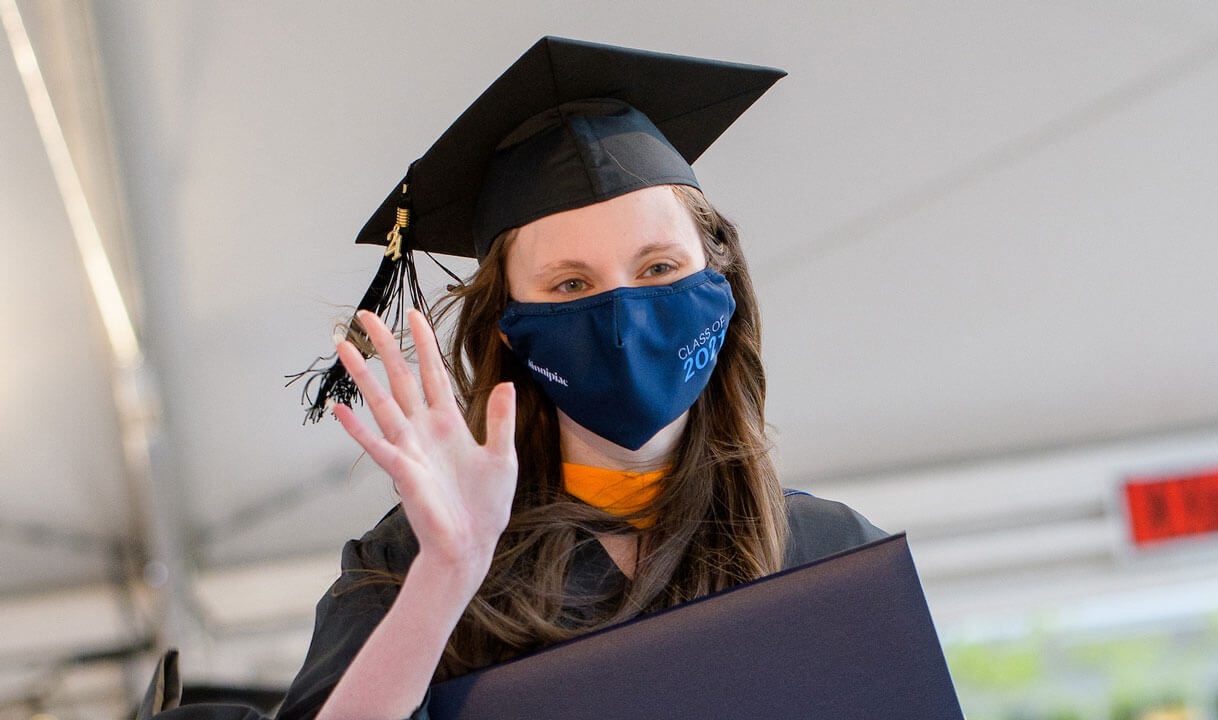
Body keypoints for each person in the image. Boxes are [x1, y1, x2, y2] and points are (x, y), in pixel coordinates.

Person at [137, 36, 885, 720]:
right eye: (568, 285)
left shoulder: (834, 559)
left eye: (658, 268)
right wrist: (448, 575)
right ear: (510, 325)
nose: (621, 317)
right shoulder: (413, 561)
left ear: (721, 281)